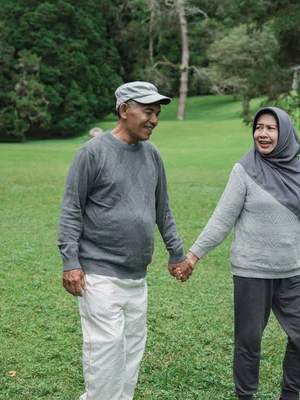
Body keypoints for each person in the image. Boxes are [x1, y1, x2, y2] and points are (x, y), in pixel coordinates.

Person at [173, 107, 300, 400]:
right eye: (259, 127)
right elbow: (221, 219)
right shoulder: (244, 169)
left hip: (291, 271)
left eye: (271, 128)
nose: (263, 134)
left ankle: (290, 395)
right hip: (251, 272)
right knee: (249, 341)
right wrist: (193, 256)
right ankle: (245, 396)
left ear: (285, 133)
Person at [58, 81, 192, 400]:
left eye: (157, 113)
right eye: (147, 112)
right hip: (99, 275)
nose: (154, 120)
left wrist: (177, 253)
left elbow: (163, 209)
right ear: (123, 110)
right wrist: (70, 262)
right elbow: (71, 209)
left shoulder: (153, 155)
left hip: (137, 278)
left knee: (131, 357)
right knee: (105, 356)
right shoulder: (91, 153)